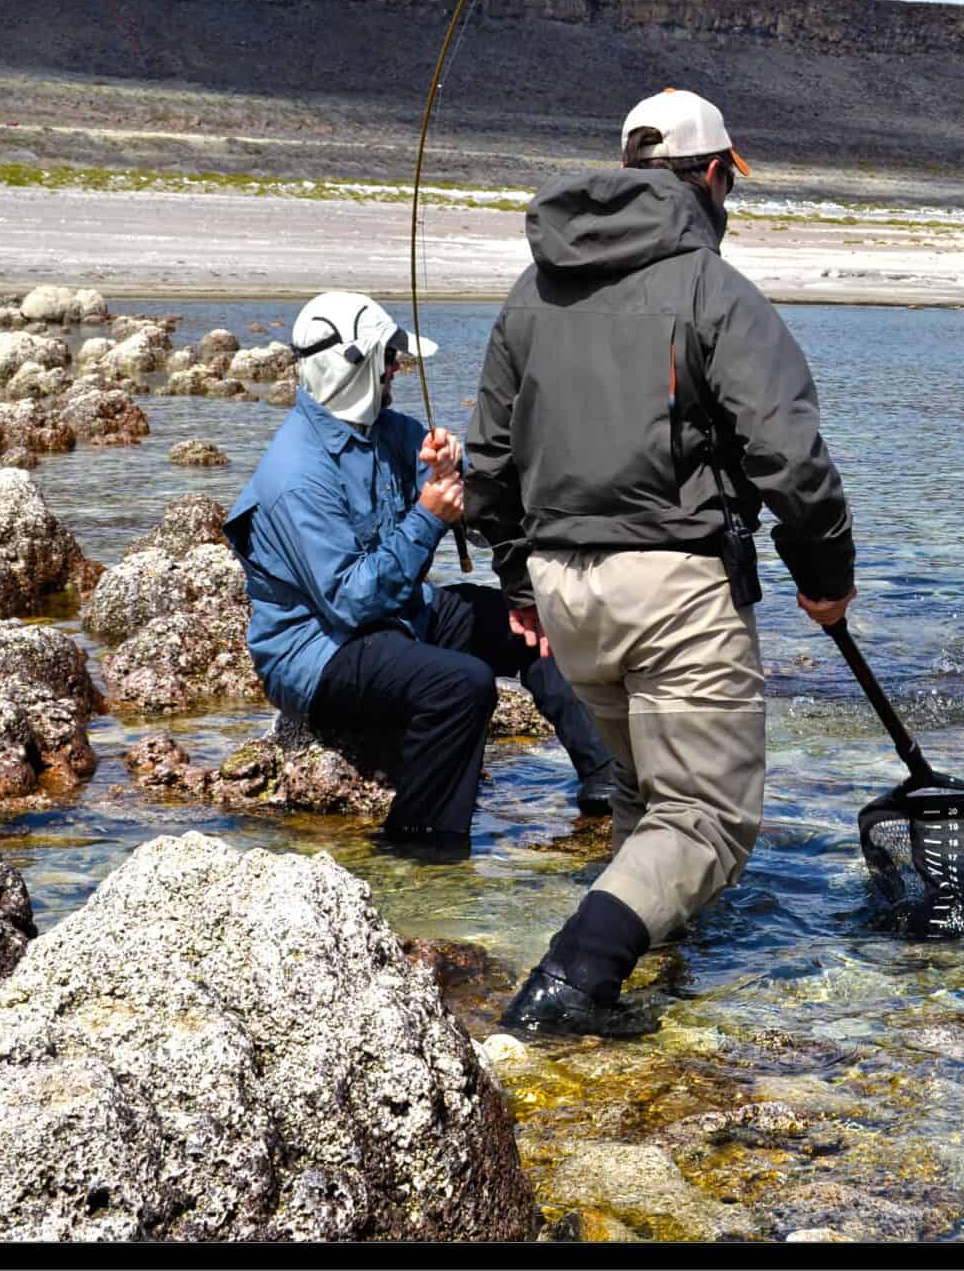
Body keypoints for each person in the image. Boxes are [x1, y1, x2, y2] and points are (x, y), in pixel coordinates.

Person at [467, 88, 857, 1036]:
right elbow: (791, 460)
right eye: (731, 181)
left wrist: (520, 582)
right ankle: (571, 982)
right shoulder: (711, 289)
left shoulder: (534, 291)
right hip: (674, 587)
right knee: (709, 819)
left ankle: (658, 971)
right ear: (715, 176)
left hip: (565, 593)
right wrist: (825, 576)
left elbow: (488, 462)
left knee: (646, 797)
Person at [221, 290, 620, 859]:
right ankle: (420, 846)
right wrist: (429, 518)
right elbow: (352, 603)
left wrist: (456, 470)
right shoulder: (295, 475)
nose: (397, 372)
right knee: (461, 684)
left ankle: (605, 778)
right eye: (388, 360)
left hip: (400, 617)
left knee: (534, 619)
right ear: (354, 368)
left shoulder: (388, 430)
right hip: (321, 654)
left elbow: (476, 509)